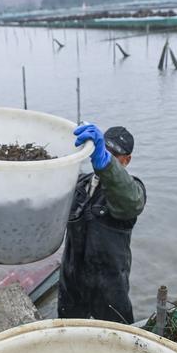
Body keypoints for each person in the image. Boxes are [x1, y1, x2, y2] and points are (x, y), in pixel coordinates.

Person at [58, 123, 146, 324]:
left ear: (126, 160)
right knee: (67, 338)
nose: (107, 155)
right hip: (71, 281)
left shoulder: (132, 190)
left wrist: (105, 164)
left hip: (109, 287)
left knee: (118, 342)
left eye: (114, 154)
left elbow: (131, 202)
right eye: (103, 149)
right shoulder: (79, 183)